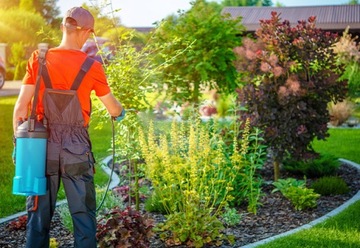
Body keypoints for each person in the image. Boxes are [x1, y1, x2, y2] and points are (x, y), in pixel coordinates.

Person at [12, 6, 124, 248]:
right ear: (87, 33)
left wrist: (19, 147)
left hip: (41, 149)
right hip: (77, 149)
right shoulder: (92, 66)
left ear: (63, 27)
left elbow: (21, 108)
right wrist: (120, 112)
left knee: (38, 219)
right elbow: (113, 109)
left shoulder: (38, 59)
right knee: (84, 220)